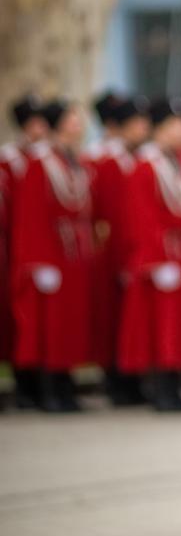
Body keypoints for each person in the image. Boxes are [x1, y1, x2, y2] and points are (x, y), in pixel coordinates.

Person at [118, 98, 181, 413]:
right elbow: (141, 217)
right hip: (163, 257)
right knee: (162, 328)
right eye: (176, 124)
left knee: (180, 327)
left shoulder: (178, 163)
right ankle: (162, 389)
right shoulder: (146, 166)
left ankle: (176, 387)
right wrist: (155, 261)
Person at [9, 100, 97, 412]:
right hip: (51, 256)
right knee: (49, 326)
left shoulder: (73, 161)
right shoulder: (40, 163)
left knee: (69, 325)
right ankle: (48, 391)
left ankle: (65, 386)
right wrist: (38, 261)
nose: (78, 125)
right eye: (72, 119)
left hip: (73, 255)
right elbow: (30, 217)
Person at [87, 93, 149, 405]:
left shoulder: (134, 160)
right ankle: (115, 381)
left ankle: (132, 380)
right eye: (137, 123)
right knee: (112, 317)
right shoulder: (107, 162)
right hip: (112, 250)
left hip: (131, 248)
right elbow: (110, 213)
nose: (143, 128)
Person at [3, 96, 54, 409]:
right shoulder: (10, 160)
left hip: (32, 246)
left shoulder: (44, 159)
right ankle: (22, 384)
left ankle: (37, 383)